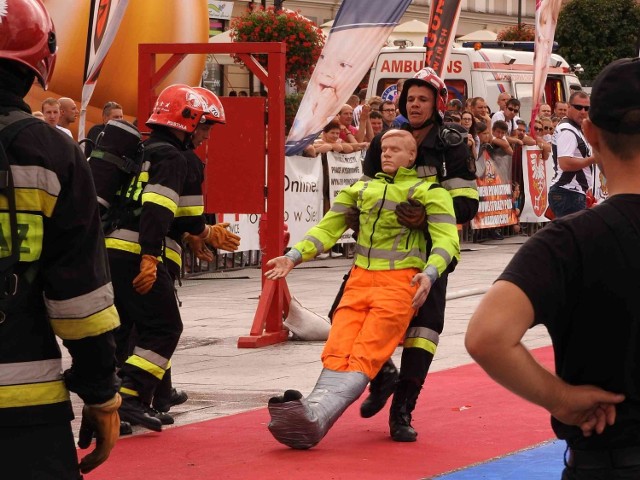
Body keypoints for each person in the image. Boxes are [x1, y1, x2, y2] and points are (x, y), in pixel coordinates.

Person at [465, 57, 640, 480]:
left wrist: (560, 398)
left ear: (591, 133)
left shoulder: (568, 242)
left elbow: (488, 336)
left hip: (611, 457)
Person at [265, 129, 460, 450]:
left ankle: (317, 417)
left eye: (397, 149)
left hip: (399, 285)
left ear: (412, 156)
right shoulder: (361, 189)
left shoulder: (430, 192)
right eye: (385, 148)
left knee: (367, 351)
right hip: (359, 281)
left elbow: (447, 240)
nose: (387, 154)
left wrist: (429, 274)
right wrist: (293, 256)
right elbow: (327, 227)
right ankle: (312, 408)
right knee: (337, 347)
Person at [0, 0, 121, 477]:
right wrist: (101, 391)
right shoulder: (52, 152)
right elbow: (79, 298)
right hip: (22, 410)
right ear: (40, 58)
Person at [351, 68, 479, 442]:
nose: (415, 104)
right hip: (380, 252)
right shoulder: (387, 141)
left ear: (437, 103)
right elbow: (367, 189)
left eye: (423, 99)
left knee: (423, 331)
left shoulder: (451, 142)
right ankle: (383, 375)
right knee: (348, 315)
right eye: (410, 99)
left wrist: (428, 217)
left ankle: (402, 411)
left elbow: (468, 204)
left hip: (429, 252)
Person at [104, 84, 239, 432]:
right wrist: (154, 254)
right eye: (206, 127)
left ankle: (117, 407)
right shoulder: (180, 159)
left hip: (109, 252)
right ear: (188, 120)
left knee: (126, 332)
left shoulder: (143, 149)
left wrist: (195, 235)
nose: (206, 135)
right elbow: (160, 209)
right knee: (164, 327)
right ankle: (130, 397)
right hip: (139, 253)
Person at [548, 91, 597, 217]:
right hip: (568, 193)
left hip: (571, 192)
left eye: (587, 108)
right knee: (576, 236)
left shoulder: (574, 128)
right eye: (578, 107)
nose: (583, 111)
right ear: (569, 107)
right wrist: (594, 158)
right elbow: (565, 163)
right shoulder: (567, 130)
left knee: (569, 235)